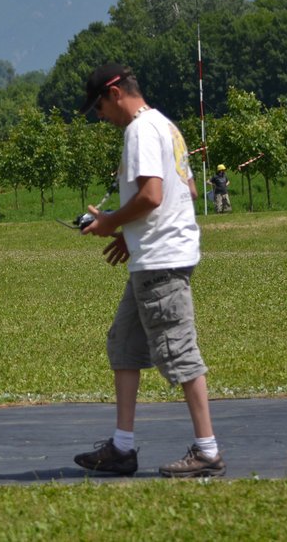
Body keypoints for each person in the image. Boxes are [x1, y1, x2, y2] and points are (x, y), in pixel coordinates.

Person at [74, 64, 226, 478]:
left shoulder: (139, 130)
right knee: (124, 342)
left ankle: (208, 451)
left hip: (161, 262)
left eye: (99, 107)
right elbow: (187, 190)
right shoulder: (166, 126)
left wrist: (111, 222)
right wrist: (131, 234)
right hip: (156, 256)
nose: (100, 116)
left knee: (179, 350)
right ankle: (122, 448)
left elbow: (153, 195)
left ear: (115, 94)